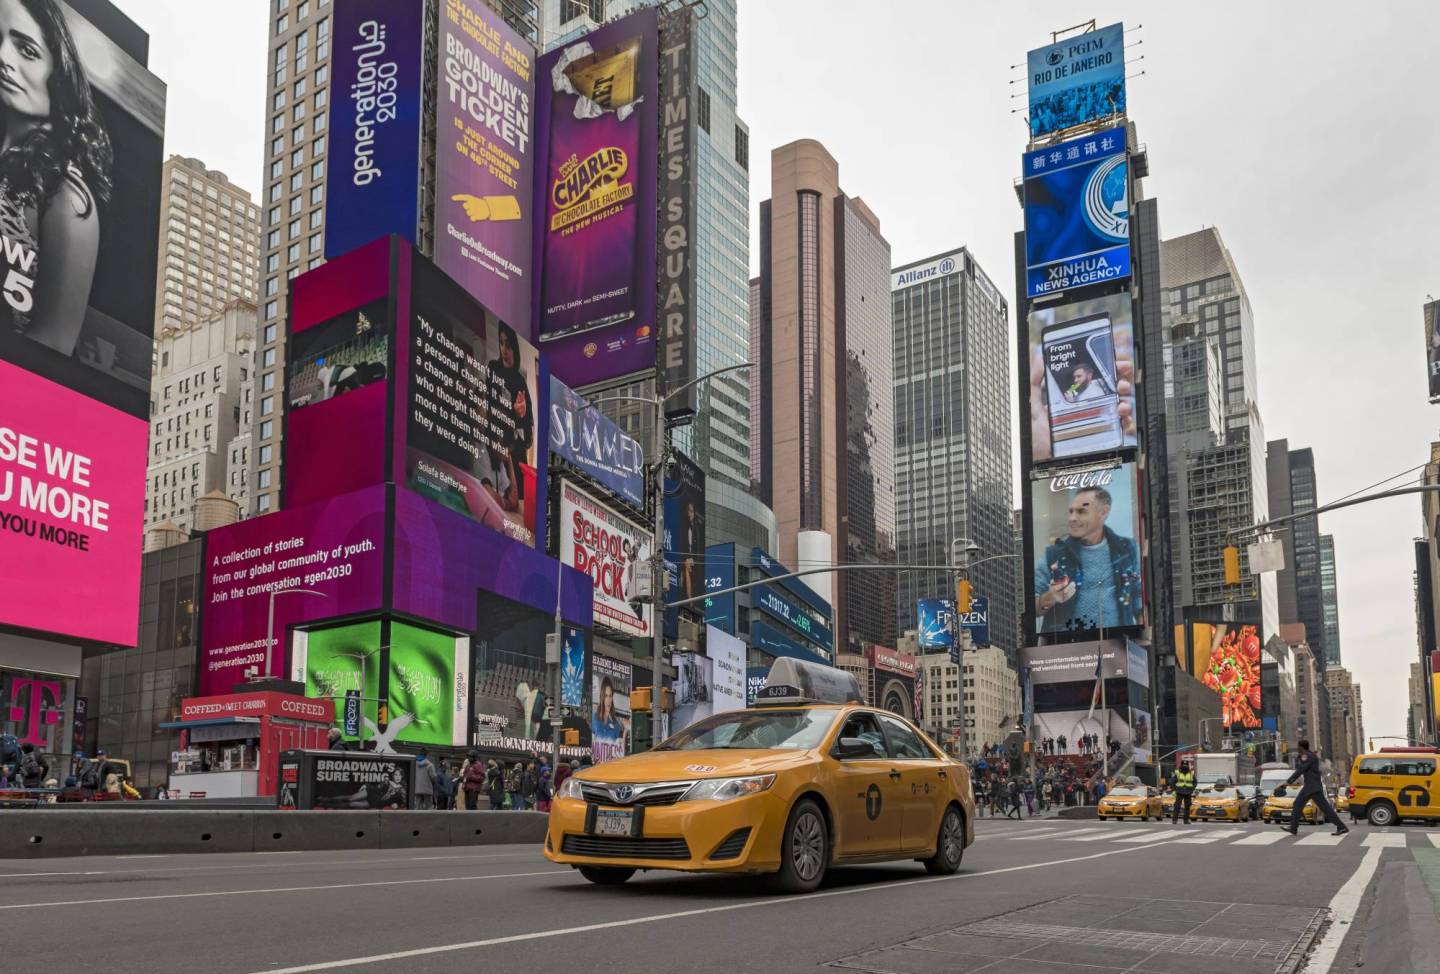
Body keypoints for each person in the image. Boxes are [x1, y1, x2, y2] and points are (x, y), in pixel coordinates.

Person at [0, 0, 114, 355]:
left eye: (27, 50)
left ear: (59, 74)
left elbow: (52, 344)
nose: (4, 57)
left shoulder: (68, 196)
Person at [1033, 486, 1143, 632]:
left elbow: (1139, 597)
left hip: (1119, 646)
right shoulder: (1053, 555)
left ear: (1103, 512)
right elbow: (1031, 609)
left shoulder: (1128, 549)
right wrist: (1050, 597)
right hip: (1067, 651)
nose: (1072, 518)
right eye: (1071, 511)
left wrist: (1144, 642)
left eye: (1081, 511)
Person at [1279, 739, 1348, 836]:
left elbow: (1300, 770)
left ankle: (1341, 827)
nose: (1297, 749)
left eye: (1298, 747)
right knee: (1298, 804)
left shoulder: (1308, 756)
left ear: (1301, 747)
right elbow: (1303, 766)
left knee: (1325, 808)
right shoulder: (1309, 755)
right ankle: (1293, 827)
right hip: (1311, 787)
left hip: (1312, 788)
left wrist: (1288, 782)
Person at [1170, 758, 1196, 824]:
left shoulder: (1191, 773)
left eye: (1186, 765)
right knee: (1177, 806)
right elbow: (1172, 782)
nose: (1185, 767)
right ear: (1181, 765)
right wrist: (1173, 790)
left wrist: (1192, 788)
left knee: (1187, 806)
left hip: (1188, 792)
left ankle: (1186, 820)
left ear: (1188, 766)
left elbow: (1195, 782)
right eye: (1184, 765)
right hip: (1179, 791)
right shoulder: (1177, 773)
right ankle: (1174, 820)